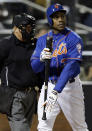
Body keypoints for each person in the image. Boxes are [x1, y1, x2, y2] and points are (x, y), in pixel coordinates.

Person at [31, 3, 89, 131]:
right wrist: (41, 59)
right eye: (56, 17)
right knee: (43, 126)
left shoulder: (74, 38)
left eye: (62, 16)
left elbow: (71, 66)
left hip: (70, 88)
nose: (60, 19)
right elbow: (34, 68)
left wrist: (56, 91)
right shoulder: (42, 40)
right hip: (49, 84)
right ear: (49, 19)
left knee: (79, 127)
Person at [0, 13, 42, 131]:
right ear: (15, 27)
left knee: (25, 127)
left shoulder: (35, 44)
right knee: (21, 128)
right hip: (14, 95)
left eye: (31, 27)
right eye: (26, 27)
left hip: (32, 94)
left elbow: (38, 68)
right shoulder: (5, 45)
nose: (30, 30)